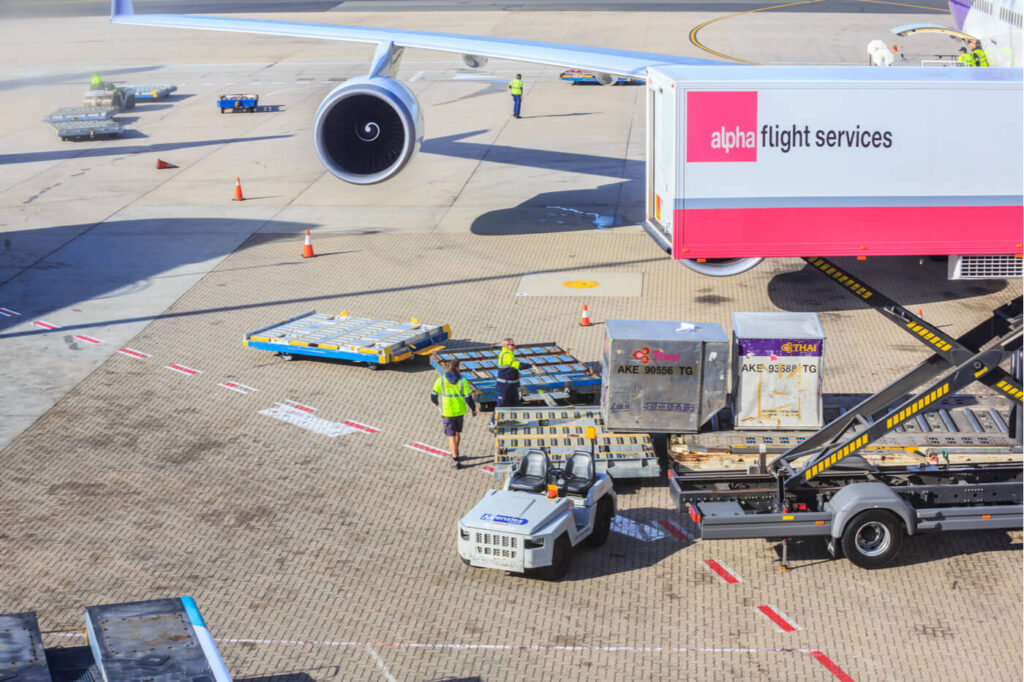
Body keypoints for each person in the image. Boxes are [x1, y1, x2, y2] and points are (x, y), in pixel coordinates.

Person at [431, 359, 476, 469]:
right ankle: (456, 452)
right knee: (457, 433)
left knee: (451, 436)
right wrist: (473, 409)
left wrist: (435, 403)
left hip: (447, 411)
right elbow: (468, 398)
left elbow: (433, 394)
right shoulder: (462, 381)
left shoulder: (441, 380)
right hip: (459, 411)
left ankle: (455, 459)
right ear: (456, 368)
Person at [492, 338, 532, 427]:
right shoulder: (506, 355)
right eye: (512, 345)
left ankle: (514, 420)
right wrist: (529, 365)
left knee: (515, 403)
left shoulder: (510, 354)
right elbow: (518, 365)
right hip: (504, 385)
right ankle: (493, 423)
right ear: (506, 346)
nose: (514, 346)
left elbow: (512, 367)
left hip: (512, 385)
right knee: (502, 404)